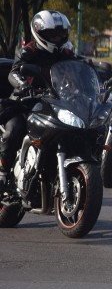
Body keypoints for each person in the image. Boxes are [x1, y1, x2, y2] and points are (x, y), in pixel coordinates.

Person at [0, 10, 78, 188]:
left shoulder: (66, 53)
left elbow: (78, 70)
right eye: (52, 34)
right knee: (14, 129)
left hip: (55, 103)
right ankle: (3, 173)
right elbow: (14, 72)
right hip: (25, 102)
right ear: (40, 33)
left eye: (60, 34)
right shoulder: (29, 51)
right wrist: (23, 85)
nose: (57, 38)